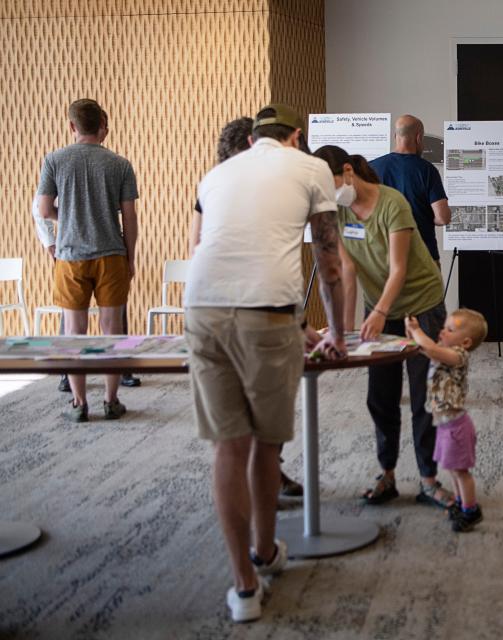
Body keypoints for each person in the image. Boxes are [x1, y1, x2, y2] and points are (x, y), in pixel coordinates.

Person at [185, 104, 346, 623]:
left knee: (227, 447)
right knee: (264, 443)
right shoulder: (309, 167)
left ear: (252, 140)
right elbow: (329, 258)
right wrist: (338, 333)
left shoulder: (216, 174)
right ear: (295, 136)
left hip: (201, 309)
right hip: (266, 316)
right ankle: (263, 550)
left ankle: (244, 584)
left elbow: (205, 246)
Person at [313, 144, 454, 509]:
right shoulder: (338, 213)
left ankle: (428, 480)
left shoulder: (392, 203)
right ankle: (387, 475)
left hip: (422, 306)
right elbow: (346, 270)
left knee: (424, 397)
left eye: (330, 185)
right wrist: (342, 330)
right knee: (381, 396)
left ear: (347, 171)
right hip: (381, 308)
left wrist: (379, 313)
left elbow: (399, 269)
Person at [189, 115, 304, 500]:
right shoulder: (253, 186)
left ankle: (266, 481)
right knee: (261, 426)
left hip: (209, 309)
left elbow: (197, 246)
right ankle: (266, 483)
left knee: (233, 435)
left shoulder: (214, 182)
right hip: (255, 310)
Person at [36, 99, 138, 421]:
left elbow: (43, 209)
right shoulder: (120, 164)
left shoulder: (54, 160)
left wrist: (65, 218)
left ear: (72, 126)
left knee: (73, 334)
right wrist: (130, 257)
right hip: (111, 256)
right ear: (101, 126)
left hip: (70, 258)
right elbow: (130, 218)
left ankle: (80, 404)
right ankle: (111, 401)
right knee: (112, 332)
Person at [405, 308, 487, 532]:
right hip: (444, 424)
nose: (443, 331)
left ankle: (471, 510)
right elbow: (426, 349)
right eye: (444, 327)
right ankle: (461, 504)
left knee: (461, 471)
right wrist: (412, 336)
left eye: (450, 329)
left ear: (466, 342)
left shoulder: (458, 356)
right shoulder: (443, 350)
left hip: (457, 426)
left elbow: (429, 348)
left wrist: (417, 330)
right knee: (452, 468)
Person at [369, 115, 451, 268]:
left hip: (381, 258)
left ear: (395, 136)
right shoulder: (427, 170)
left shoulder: (371, 168)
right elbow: (442, 218)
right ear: (419, 138)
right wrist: (424, 217)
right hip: (422, 257)